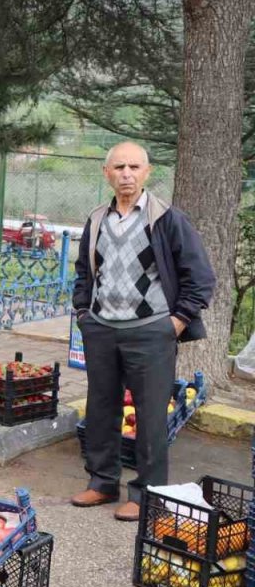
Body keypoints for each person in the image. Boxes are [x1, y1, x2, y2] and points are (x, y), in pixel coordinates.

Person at [71, 142, 215, 521]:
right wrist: (84, 312)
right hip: (101, 329)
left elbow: (199, 277)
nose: (126, 174)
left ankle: (146, 493)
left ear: (148, 172)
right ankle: (102, 483)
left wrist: (177, 321)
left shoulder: (167, 218)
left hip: (151, 331)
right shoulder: (97, 218)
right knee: (102, 409)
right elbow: (84, 273)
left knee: (151, 416)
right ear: (107, 173)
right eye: (118, 167)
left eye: (134, 166)